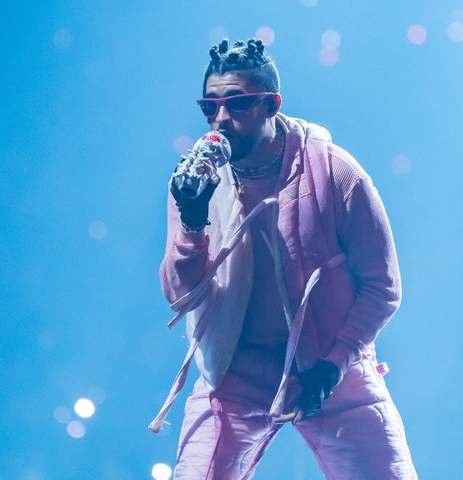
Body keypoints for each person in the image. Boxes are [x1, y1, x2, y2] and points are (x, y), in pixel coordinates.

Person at [150, 38, 417, 479]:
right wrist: (192, 221)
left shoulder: (335, 172)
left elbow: (383, 286)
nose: (220, 119)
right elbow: (181, 297)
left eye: (236, 103)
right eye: (209, 106)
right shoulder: (194, 181)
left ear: (271, 105)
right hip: (237, 371)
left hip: (334, 366)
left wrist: (334, 365)